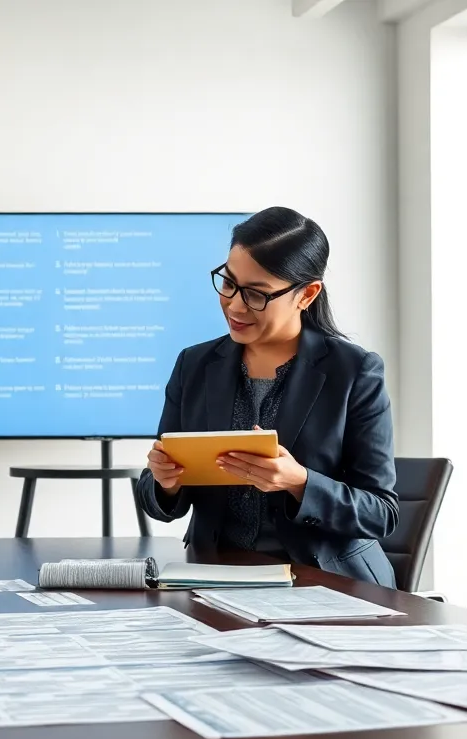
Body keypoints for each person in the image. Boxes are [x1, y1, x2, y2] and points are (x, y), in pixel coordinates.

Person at [136, 206, 399, 587]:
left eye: (257, 295)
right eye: (228, 283)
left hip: (326, 583)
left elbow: (382, 514)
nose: (235, 305)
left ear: (306, 294)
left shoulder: (354, 372)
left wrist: (299, 482)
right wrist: (165, 482)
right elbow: (155, 498)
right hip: (215, 579)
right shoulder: (194, 365)